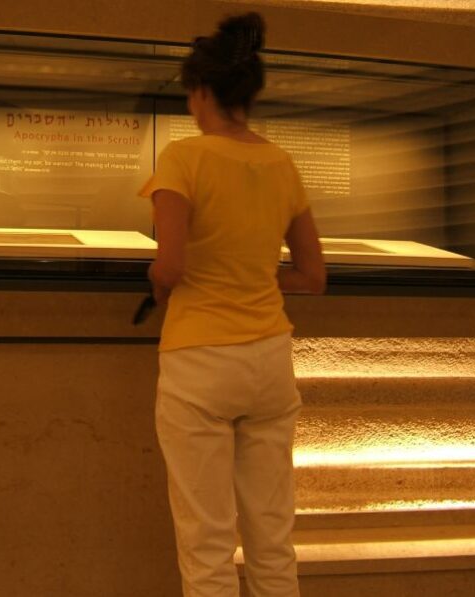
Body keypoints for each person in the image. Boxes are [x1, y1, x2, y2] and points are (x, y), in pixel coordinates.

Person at [137, 12, 326, 597]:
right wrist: (254, 278)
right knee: (273, 535)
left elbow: (171, 264)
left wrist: (158, 285)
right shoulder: (281, 163)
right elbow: (312, 275)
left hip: (200, 360)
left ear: (201, 92)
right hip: (269, 358)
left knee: (207, 541)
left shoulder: (183, 160)